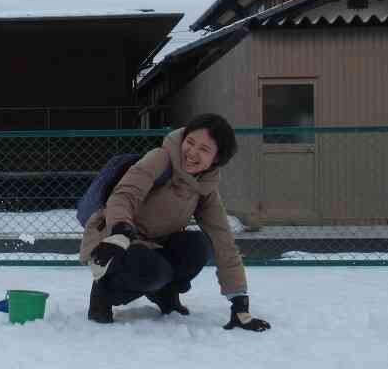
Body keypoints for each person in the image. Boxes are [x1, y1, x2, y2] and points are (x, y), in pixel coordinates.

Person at [80, 113, 269, 331]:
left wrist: (239, 303)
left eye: (204, 149)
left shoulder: (204, 188)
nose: (192, 152)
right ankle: (104, 292)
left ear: (216, 159)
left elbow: (222, 240)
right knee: (153, 271)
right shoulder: (161, 158)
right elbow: (124, 195)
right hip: (115, 240)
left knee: (198, 246)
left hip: (154, 245)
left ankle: (164, 292)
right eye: (190, 142)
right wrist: (120, 230)